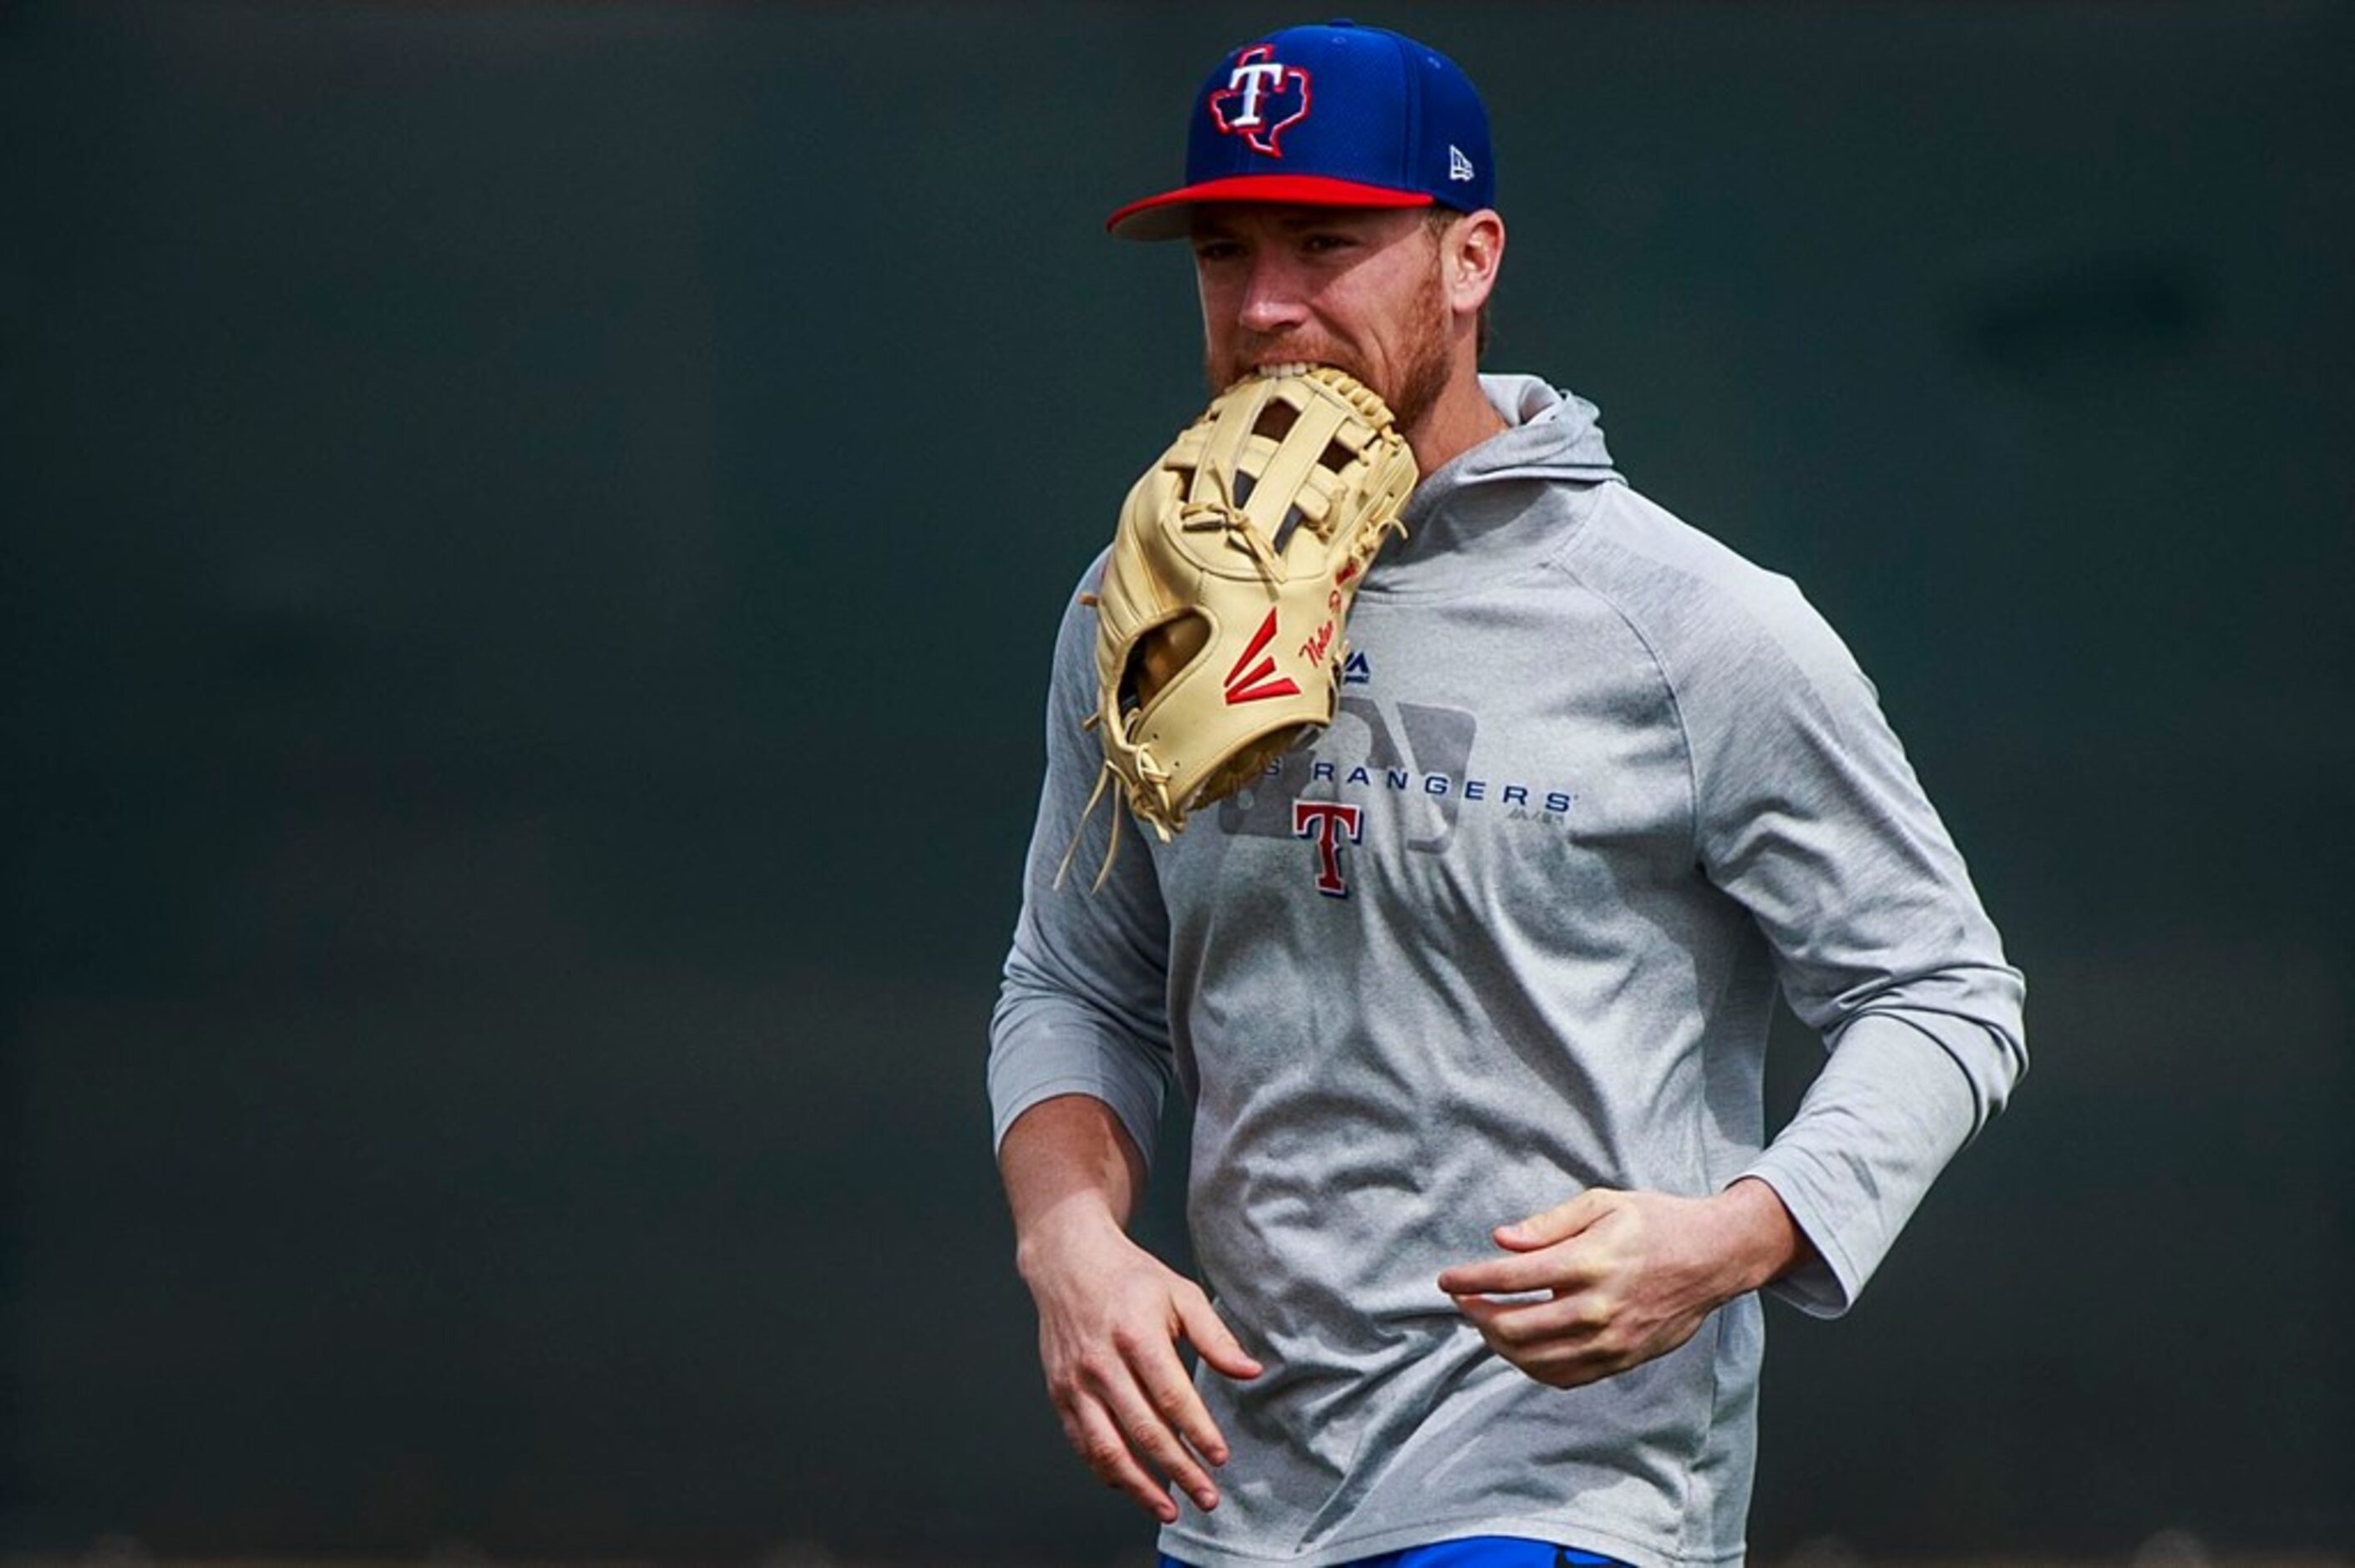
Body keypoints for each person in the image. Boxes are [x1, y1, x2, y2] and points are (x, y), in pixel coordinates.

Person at [987, 20, 2026, 1568]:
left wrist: (1733, 1235)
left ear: (1469, 259)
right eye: (1224, 251)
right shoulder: (1144, 601)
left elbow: (1945, 990)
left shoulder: (1683, 620)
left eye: (1326, 242)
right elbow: (1073, 982)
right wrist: (1069, 1238)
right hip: (1239, 1501)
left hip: (1565, 1495)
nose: (1266, 305)